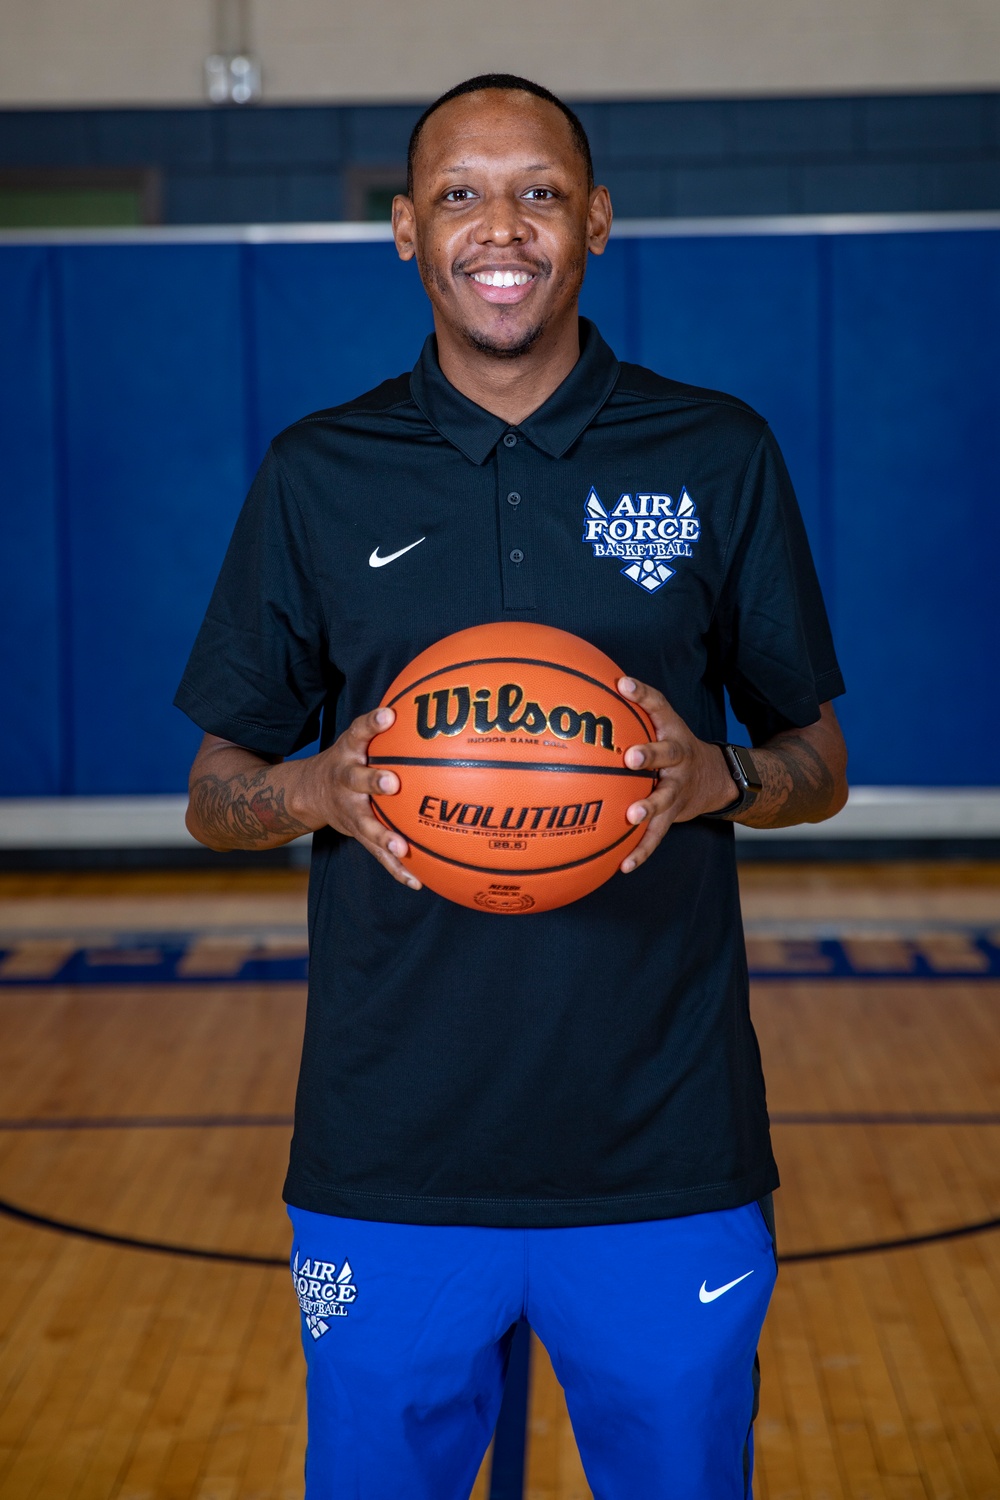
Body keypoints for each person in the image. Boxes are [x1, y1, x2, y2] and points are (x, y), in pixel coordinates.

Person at [176, 73, 847, 1500]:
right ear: (407, 230)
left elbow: (818, 763)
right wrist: (317, 793)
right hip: (393, 1150)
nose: (505, 226)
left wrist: (721, 776)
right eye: (464, 195)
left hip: (664, 1143)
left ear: (595, 220)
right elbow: (216, 785)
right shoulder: (318, 474)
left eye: (539, 191)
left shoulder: (715, 453)